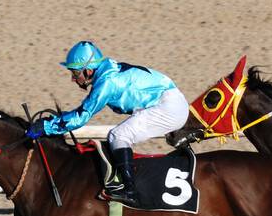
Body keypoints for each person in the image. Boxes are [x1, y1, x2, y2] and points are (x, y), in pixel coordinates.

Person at [27, 41, 187, 207]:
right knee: (120, 134)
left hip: (169, 107)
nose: (73, 79)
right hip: (168, 102)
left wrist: (46, 126)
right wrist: (52, 122)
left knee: (118, 135)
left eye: (75, 73)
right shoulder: (106, 70)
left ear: (88, 70)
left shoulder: (106, 83)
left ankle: (130, 191)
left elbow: (81, 117)